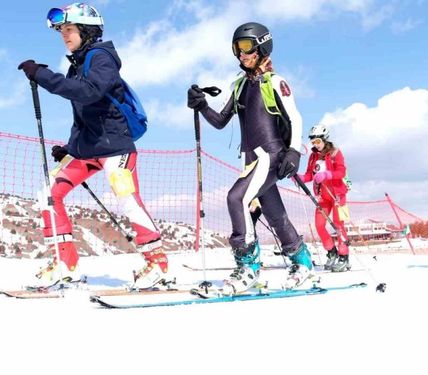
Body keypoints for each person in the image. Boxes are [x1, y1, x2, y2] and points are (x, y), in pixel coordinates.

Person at [17, 3, 167, 288]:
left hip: (116, 149)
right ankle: (66, 263)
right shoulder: (77, 65)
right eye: (61, 30)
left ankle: (156, 261)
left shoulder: (101, 58)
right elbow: (85, 116)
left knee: (127, 199)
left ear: (86, 31)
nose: (64, 34)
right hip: (88, 150)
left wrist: (43, 76)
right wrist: (70, 148)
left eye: (69, 29)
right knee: (49, 193)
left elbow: (90, 92)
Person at [187, 22, 312, 293]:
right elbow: (220, 121)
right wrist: (201, 105)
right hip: (252, 159)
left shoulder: (275, 82)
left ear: (261, 46)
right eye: (236, 49)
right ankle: (302, 263)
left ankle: (249, 267)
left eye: (245, 47)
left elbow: (295, 117)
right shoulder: (240, 86)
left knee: (236, 198)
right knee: (274, 214)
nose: (240, 54)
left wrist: (294, 151)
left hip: (272, 153)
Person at [297, 124, 351, 272]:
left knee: (339, 226)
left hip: (338, 195)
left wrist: (328, 174)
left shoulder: (335, 152)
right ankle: (331, 252)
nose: (316, 145)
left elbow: (342, 171)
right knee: (319, 225)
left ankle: (343, 256)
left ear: (325, 139)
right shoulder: (313, 156)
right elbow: (310, 174)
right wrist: (301, 178)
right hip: (322, 196)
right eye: (313, 142)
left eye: (318, 142)